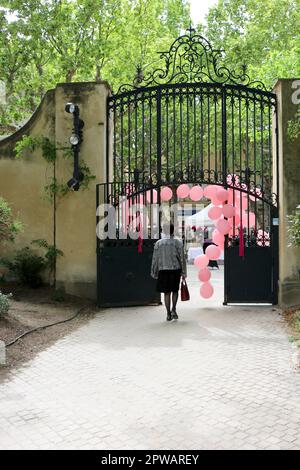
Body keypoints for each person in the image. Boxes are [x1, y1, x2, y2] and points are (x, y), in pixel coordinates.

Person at [151, 222, 187, 321]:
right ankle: (174, 309)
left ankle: (168, 314)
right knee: (175, 290)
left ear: (163, 230)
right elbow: (182, 259)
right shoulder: (178, 242)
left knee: (166, 292)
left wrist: (154, 271)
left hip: (163, 270)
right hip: (175, 270)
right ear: (173, 230)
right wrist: (184, 272)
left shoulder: (159, 243)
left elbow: (155, 259)